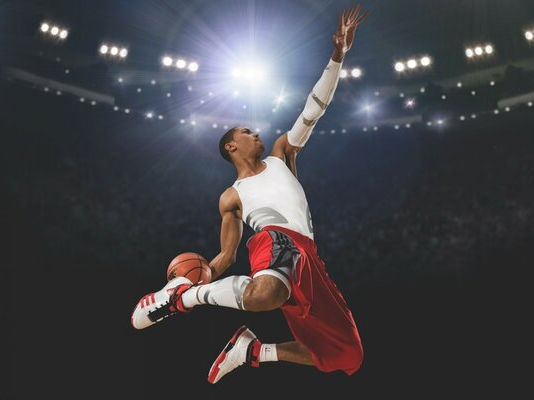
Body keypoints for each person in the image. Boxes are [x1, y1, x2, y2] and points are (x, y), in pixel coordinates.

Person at [131, 4, 368, 384]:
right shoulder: (232, 195)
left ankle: (251, 350)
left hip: (308, 257)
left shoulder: (281, 154)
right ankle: (177, 298)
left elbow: (313, 110)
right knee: (265, 294)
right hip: (274, 241)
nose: (255, 133)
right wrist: (194, 283)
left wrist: (338, 56)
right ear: (230, 147)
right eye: (246, 132)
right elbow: (226, 256)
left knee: (345, 354)